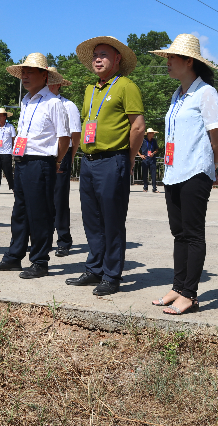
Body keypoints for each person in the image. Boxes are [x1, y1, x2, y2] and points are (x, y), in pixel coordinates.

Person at [148, 34, 218, 315]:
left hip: (195, 172)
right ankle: (177, 287)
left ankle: (190, 294)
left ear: (189, 61)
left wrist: (210, 168)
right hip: (173, 172)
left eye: (171, 58)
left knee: (193, 234)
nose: (167, 62)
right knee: (178, 233)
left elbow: (217, 137)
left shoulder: (206, 93)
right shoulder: (178, 95)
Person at [65, 36, 145, 296]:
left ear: (118, 58)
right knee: (92, 220)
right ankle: (95, 268)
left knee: (112, 220)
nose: (97, 59)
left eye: (104, 54)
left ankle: (111, 275)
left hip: (113, 160)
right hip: (89, 161)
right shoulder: (90, 89)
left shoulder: (126, 86)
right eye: (95, 55)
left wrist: (129, 157)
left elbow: (138, 126)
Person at [0, 54, 70, 278]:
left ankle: (40, 261)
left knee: (40, 214)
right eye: (23, 72)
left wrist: (56, 160)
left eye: (30, 71)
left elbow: (64, 138)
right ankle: (14, 257)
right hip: (21, 161)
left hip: (41, 162)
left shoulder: (54, 103)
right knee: (20, 212)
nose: (25, 75)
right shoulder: (26, 101)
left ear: (44, 75)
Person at [47, 67, 81, 257]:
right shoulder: (38, 103)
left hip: (62, 153)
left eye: (52, 81)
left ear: (59, 84)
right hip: (43, 155)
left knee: (59, 199)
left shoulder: (68, 105)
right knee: (42, 199)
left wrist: (68, 156)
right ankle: (44, 238)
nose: (48, 84)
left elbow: (75, 134)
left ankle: (63, 240)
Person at [0, 107, 16, 194]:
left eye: (0, 116)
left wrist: (13, 150)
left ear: (5, 117)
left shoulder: (10, 127)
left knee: (8, 171)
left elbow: (13, 139)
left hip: (7, 152)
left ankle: (14, 187)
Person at [139, 128, 160, 193]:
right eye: (152, 133)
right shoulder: (143, 141)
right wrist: (140, 155)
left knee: (153, 174)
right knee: (144, 174)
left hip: (152, 159)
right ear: (148, 134)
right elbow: (136, 148)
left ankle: (154, 188)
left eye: (153, 133)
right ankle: (145, 188)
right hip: (145, 159)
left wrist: (153, 153)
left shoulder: (154, 141)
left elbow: (156, 149)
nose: (153, 134)